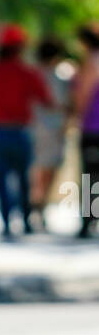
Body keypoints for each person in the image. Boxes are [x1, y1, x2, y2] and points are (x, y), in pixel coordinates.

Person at [0, 24, 52, 237]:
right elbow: (45, 99)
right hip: (21, 131)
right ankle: (25, 220)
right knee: (24, 178)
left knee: (1, 177)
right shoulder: (26, 72)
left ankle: (6, 222)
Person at [30, 37, 71, 230]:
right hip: (52, 128)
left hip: (35, 126)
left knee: (36, 169)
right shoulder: (62, 76)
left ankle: (37, 203)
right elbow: (66, 104)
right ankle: (40, 203)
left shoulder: (31, 74)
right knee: (48, 169)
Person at [72, 23, 99, 239]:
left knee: (90, 176)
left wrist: (76, 117)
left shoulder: (92, 61)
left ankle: (88, 220)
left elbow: (83, 95)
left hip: (93, 128)